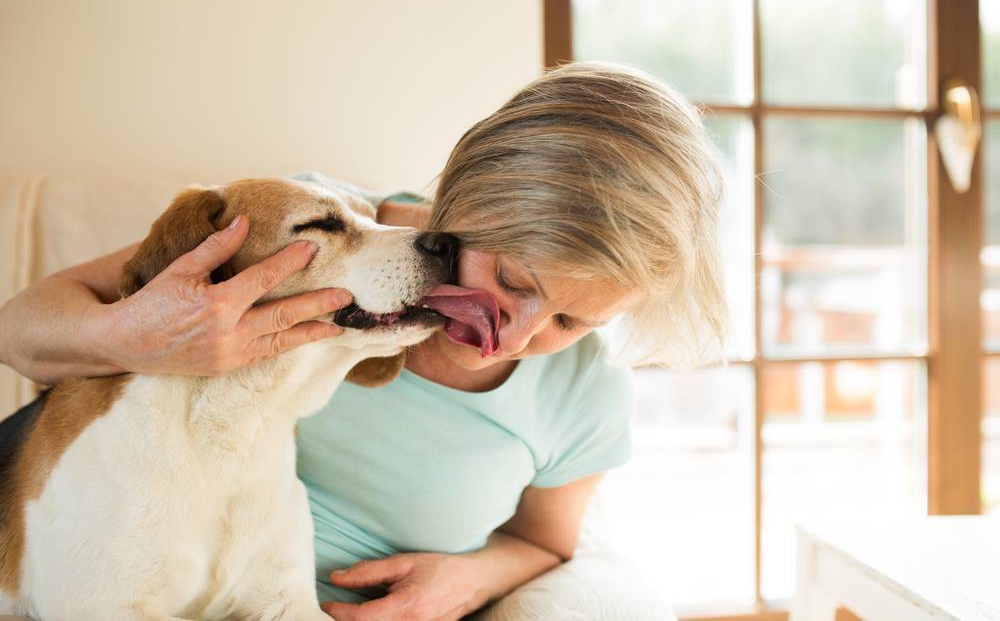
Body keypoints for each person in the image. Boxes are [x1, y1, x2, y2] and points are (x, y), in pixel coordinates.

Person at [0, 62, 727, 620]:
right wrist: (146, 336)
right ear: (470, 198)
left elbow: (550, 542)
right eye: (513, 278)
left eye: (574, 323)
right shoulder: (304, 227)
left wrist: (469, 578)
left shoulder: (586, 391)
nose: (518, 335)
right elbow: (21, 333)